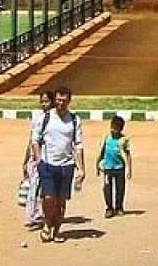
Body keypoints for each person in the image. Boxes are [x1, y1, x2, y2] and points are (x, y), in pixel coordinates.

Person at [32, 86, 85, 243]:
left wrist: (81, 168)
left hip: (67, 165)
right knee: (48, 198)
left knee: (61, 201)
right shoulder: (45, 118)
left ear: (69, 101)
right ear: (54, 100)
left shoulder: (74, 120)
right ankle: (48, 224)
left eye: (64, 100)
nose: (60, 103)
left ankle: (57, 229)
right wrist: (38, 159)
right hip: (47, 164)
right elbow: (35, 140)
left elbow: (78, 145)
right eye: (58, 100)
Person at [19, 89, 52, 230]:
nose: (44, 104)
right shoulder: (37, 118)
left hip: (48, 156)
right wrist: (25, 159)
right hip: (35, 156)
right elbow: (31, 138)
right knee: (34, 185)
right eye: (42, 101)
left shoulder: (56, 118)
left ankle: (40, 214)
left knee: (41, 187)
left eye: (47, 101)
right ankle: (33, 215)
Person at [97, 114, 132, 218]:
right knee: (107, 188)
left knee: (120, 189)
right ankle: (109, 208)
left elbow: (128, 155)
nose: (113, 130)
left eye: (116, 129)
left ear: (120, 129)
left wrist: (129, 169)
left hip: (119, 168)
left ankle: (119, 207)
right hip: (107, 168)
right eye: (112, 127)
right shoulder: (106, 138)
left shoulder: (123, 140)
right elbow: (101, 152)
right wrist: (97, 165)